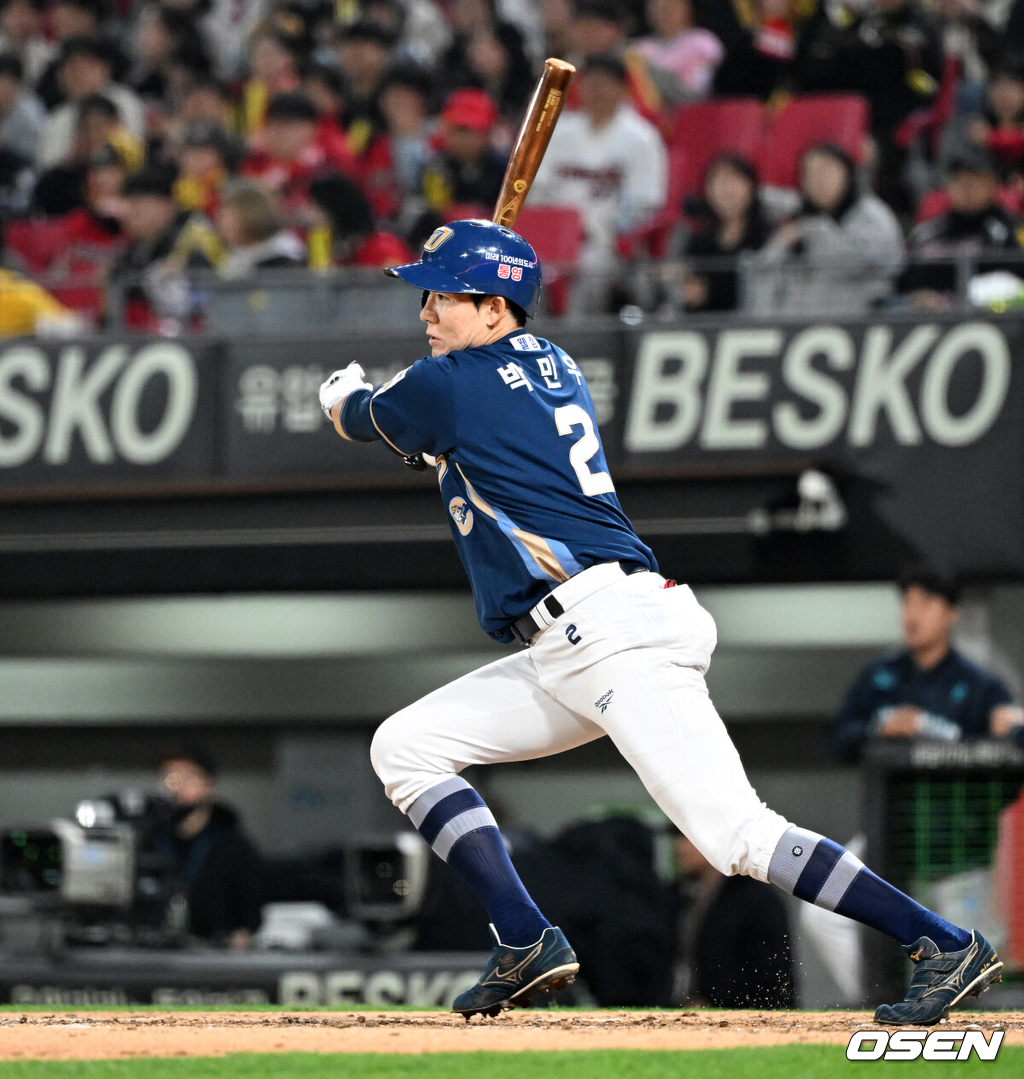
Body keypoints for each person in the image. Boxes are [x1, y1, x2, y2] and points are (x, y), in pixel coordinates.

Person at [317, 217, 1004, 1025]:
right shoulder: (551, 365)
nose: (426, 311)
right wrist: (432, 433)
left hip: (608, 632)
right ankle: (525, 935)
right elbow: (470, 442)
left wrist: (341, 394)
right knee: (406, 745)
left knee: (737, 837)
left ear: (497, 308)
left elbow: (365, 413)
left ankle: (944, 944)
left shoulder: (447, 386)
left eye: (443, 296)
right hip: (578, 637)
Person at [832, 567, 1024, 764]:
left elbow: (1011, 736)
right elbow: (839, 738)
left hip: (954, 791)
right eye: (907, 602)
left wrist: (1010, 728)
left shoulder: (980, 686)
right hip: (890, 791)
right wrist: (878, 730)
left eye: (925, 603)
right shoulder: (878, 676)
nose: (912, 614)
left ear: (951, 613)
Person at [531, 53, 668, 312]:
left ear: (623, 89)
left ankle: (580, 343)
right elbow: (538, 192)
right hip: (556, 238)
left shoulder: (642, 138)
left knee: (590, 270)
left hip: (607, 242)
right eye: (589, 83)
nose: (595, 91)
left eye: (604, 83)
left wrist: (605, 231)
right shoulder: (559, 133)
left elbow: (646, 204)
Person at [748, 141, 904, 316]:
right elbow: (763, 276)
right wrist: (778, 246)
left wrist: (815, 232)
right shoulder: (798, 217)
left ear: (847, 174)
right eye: (810, 173)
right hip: (796, 330)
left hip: (858, 327)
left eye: (827, 170)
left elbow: (883, 264)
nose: (818, 180)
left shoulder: (872, 214)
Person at [157, 747, 264, 947]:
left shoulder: (234, 847)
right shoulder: (152, 841)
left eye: (187, 778)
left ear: (209, 786)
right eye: (169, 778)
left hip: (214, 957)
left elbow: (250, 919)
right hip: (159, 955)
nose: (176, 788)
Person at [673, 834, 794, 1009]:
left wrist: (717, 1004)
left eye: (690, 838)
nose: (680, 848)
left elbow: (773, 977)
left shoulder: (755, 900)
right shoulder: (678, 895)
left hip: (744, 1019)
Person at [899, 150, 1024, 304]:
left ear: (992, 185)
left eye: (973, 181)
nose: (965, 189)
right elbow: (903, 281)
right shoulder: (925, 233)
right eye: (957, 180)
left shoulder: (1009, 231)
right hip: (923, 318)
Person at [662, 152, 772, 314]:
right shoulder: (698, 241)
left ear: (751, 186)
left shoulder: (769, 236)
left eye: (733, 180)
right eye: (718, 182)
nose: (726, 189)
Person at [215, 179, 305, 278]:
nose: (221, 223)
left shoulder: (281, 261)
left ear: (251, 216)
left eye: (229, 216)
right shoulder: (239, 255)